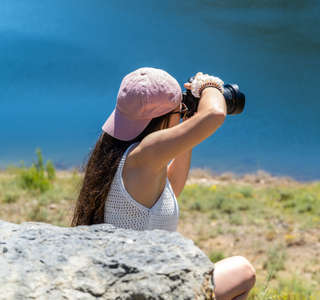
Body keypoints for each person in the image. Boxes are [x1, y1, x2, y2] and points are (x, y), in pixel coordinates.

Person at [70, 67, 256, 300]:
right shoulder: (145, 153)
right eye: (179, 110)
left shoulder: (116, 157)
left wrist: (187, 123)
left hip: (133, 287)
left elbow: (172, 190)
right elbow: (215, 115)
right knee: (243, 270)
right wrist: (209, 86)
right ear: (163, 118)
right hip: (148, 291)